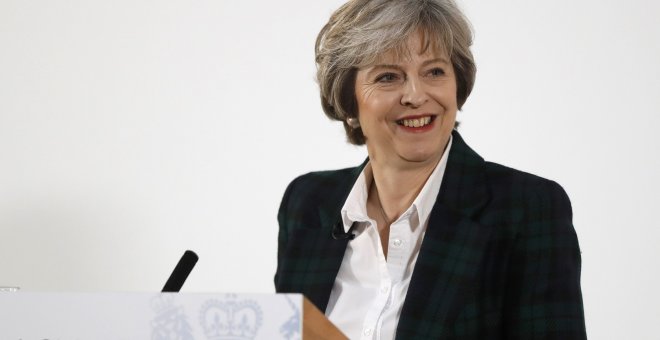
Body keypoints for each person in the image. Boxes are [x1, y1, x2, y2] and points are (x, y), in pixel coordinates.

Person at [274, 0, 586, 338]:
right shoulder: (307, 203)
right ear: (349, 101)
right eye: (388, 76)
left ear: (457, 85)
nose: (415, 95)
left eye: (434, 71)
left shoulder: (526, 209)